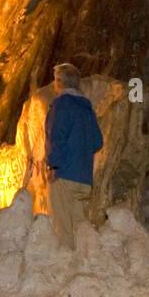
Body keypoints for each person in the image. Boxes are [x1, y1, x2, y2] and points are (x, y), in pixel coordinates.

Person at [44, 63, 104, 248]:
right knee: (81, 227)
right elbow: (97, 142)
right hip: (84, 178)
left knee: (64, 228)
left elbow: (56, 136)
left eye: (55, 81)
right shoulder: (87, 107)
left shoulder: (61, 104)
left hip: (65, 174)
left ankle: (66, 268)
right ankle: (84, 264)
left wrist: (54, 165)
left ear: (60, 82)